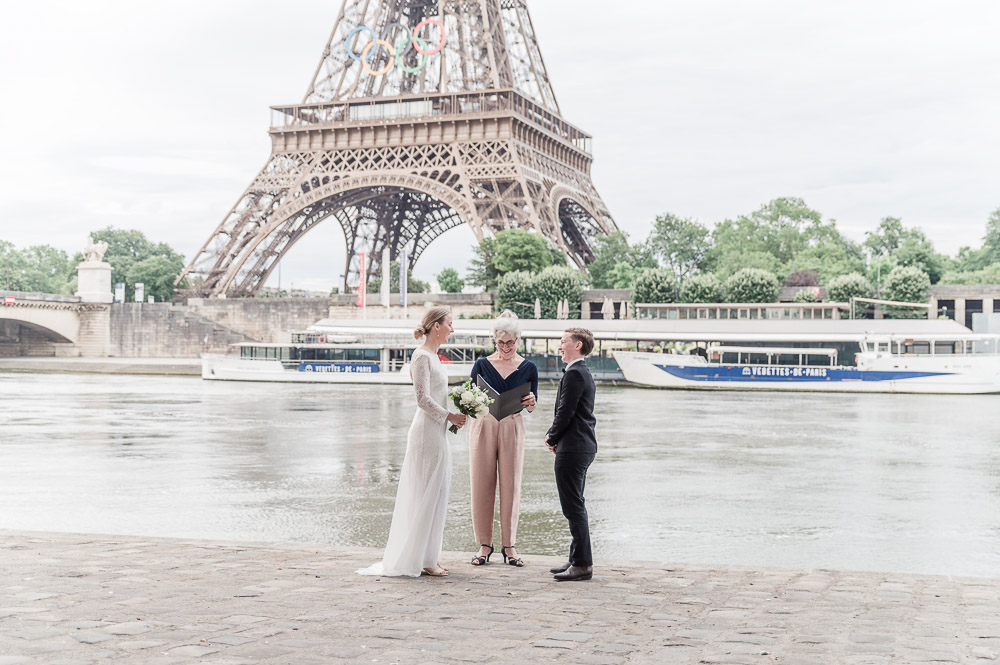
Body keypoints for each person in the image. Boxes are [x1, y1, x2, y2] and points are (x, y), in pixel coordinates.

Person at [357, 307, 467, 577]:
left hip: (437, 430)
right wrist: (449, 415)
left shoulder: (435, 357)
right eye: (450, 324)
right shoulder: (421, 357)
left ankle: (429, 556)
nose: (453, 329)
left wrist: (461, 409)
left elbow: (438, 396)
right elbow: (422, 399)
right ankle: (423, 559)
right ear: (436, 326)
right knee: (426, 491)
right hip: (426, 433)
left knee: (438, 491)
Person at [467, 310, 538, 567]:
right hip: (483, 423)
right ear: (494, 340)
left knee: (511, 484)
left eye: (510, 342)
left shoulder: (529, 367)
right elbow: (470, 397)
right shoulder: (481, 365)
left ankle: (509, 546)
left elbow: (531, 403)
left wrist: (531, 403)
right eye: (500, 342)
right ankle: (484, 544)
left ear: (518, 340)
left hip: (512, 424)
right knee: (481, 483)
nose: (505, 347)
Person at [545, 327, 597, 582]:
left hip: (574, 447)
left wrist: (551, 436)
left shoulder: (575, 373)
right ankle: (576, 557)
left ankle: (582, 564)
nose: (559, 345)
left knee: (573, 506)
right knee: (576, 504)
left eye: (563, 341)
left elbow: (566, 412)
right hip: (581, 445)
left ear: (577, 346)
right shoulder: (582, 372)